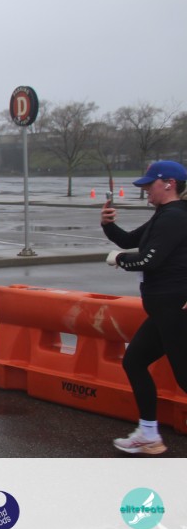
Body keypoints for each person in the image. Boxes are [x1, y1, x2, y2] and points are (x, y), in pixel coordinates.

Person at [101, 160, 187, 455]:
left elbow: (150, 259)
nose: (146, 189)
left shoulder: (175, 216)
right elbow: (128, 240)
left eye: (150, 184)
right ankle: (149, 435)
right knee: (135, 361)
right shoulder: (164, 215)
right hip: (163, 310)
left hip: (176, 308)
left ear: (169, 184)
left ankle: (149, 435)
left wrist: (119, 259)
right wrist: (108, 225)